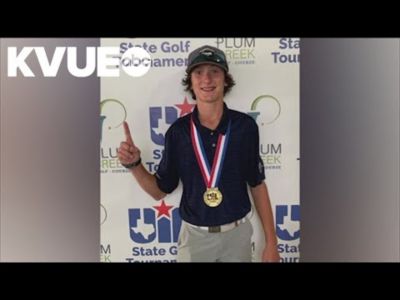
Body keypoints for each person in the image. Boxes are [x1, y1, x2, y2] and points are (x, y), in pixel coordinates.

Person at [117, 45, 280, 262]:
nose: (207, 79)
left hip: (238, 235)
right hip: (194, 239)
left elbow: (257, 185)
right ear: (191, 81)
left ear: (225, 78)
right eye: (199, 72)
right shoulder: (178, 132)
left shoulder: (245, 127)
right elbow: (159, 192)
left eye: (214, 70)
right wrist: (134, 165)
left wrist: (272, 242)